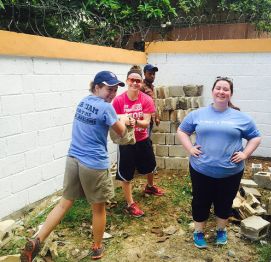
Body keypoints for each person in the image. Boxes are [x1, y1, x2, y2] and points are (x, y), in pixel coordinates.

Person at [20, 71, 129, 262]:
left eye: (115, 90)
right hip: (94, 165)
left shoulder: (83, 102)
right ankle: (97, 247)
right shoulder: (106, 108)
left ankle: (37, 239)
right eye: (109, 89)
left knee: (64, 203)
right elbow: (121, 132)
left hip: (73, 159)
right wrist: (126, 121)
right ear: (96, 87)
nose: (112, 94)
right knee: (98, 209)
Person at [177, 76, 261, 248]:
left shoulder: (241, 118)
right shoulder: (198, 114)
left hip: (231, 171)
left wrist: (245, 154)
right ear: (213, 91)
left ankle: (221, 230)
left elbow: (255, 137)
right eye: (218, 88)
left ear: (230, 94)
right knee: (200, 200)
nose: (221, 92)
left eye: (226, 89)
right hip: (201, 169)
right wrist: (190, 149)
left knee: (225, 201)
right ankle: (199, 231)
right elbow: (182, 131)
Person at [112, 65, 164, 218]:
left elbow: (147, 122)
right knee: (126, 174)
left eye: (138, 81)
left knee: (150, 166)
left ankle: (150, 186)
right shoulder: (118, 101)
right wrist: (124, 121)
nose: (135, 83)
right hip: (126, 142)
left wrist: (133, 120)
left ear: (141, 83)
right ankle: (130, 204)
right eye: (132, 80)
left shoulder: (146, 99)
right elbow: (115, 121)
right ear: (127, 81)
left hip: (142, 138)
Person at [141, 64, 160, 135]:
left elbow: (153, 103)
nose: (152, 76)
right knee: (144, 141)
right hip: (144, 119)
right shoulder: (141, 87)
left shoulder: (151, 87)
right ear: (145, 74)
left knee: (147, 140)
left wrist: (156, 117)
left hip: (151, 119)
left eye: (153, 74)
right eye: (150, 74)